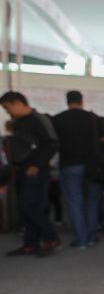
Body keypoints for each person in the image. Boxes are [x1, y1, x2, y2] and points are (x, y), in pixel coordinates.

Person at [1, 91, 61, 257]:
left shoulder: (39, 119)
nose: (8, 112)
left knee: (31, 206)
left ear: (18, 103)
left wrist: (36, 164)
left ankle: (51, 238)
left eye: (8, 108)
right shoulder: (18, 122)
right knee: (25, 207)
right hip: (21, 169)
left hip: (37, 171)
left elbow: (52, 143)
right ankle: (30, 243)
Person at [52, 91, 104, 249]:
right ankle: (92, 236)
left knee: (74, 202)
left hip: (69, 165)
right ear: (82, 101)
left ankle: (81, 239)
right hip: (92, 166)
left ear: (67, 101)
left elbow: (53, 142)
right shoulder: (92, 118)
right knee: (92, 202)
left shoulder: (58, 119)